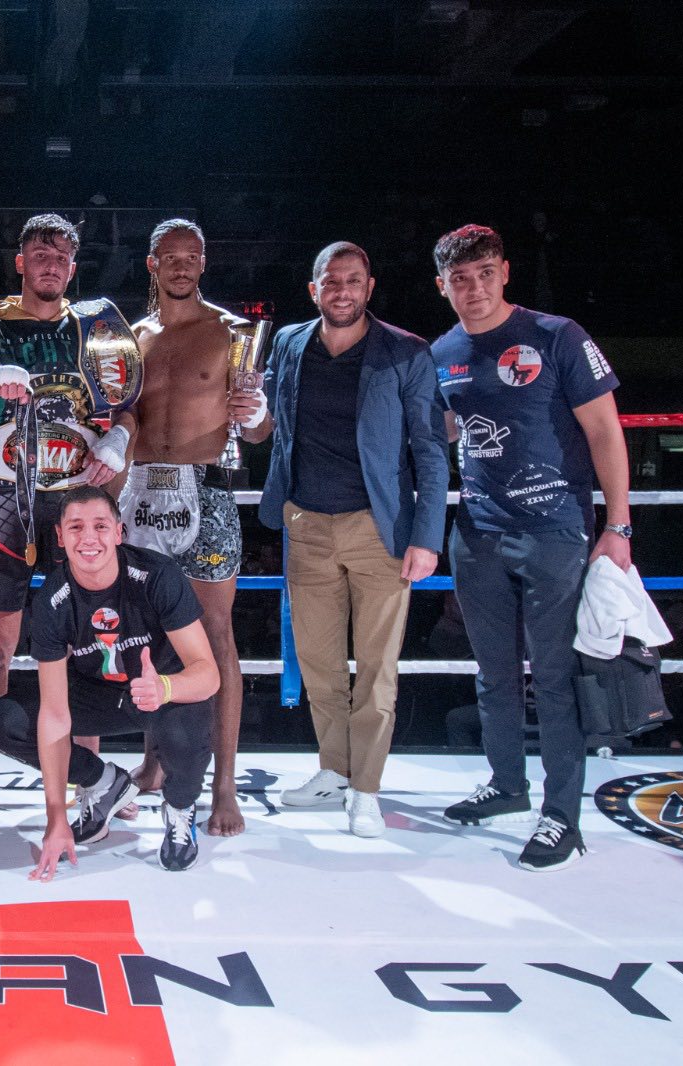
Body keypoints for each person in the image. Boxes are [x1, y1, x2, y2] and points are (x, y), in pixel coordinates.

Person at [429, 223, 632, 871]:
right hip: (478, 532)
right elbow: (441, 432)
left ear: (506, 272)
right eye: (461, 279)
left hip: (554, 530)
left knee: (553, 677)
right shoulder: (443, 352)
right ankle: (507, 784)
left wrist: (619, 526)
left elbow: (605, 431)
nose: (475, 288)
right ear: (443, 286)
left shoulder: (557, 335)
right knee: (492, 673)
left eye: (485, 274)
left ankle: (562, 815)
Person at [243, 241, 449, 836]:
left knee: (378, 670)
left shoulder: (406, 351)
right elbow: (264, 428)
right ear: (314, 289)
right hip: (306, 524)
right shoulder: (288, 342)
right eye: (331, 281)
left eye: (353, 280)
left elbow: (431, 449)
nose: (342, 291)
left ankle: (367, 789)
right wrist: (249, 415)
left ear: (369, 287)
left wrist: (427, 536)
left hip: (380, 529)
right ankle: (335, 771)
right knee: (319, 665)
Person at [0, 212, 133, 834]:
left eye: (60, 256)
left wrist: (119, 439)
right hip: (7, 497)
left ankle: (90, 783)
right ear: (21, 263)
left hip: (78, 504)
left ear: (73, 267)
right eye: (40, 254)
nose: (50, 264)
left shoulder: (95, 330)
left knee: (88, 644)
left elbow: (127, 404)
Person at [0, 486, 221, 875]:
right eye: (76, 527)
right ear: (60, 537)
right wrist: (56, 817)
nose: (89, 538)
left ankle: (180, 809)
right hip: (100, 696)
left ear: (119, 532)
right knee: (5, 721)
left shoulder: (157, 576)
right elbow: (55, 713)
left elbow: (208, 674)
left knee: (187, 727)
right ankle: (103, 782)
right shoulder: (53, 599)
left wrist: (165, 687)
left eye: (100, 526)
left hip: (161, 693)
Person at [115, 218, 252, 836]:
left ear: (203, 263)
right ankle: (155, 762)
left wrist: (258, 412)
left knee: (217, 636)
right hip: (143, 493)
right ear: (152, 264)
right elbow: (122, 423)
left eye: (191, 257)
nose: (181, 266)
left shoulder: (231, 332)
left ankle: (224, 787)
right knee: (148, 635)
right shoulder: (131, 339)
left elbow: (258, 428)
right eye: (170, 257)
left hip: (208, 489)